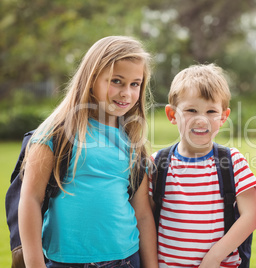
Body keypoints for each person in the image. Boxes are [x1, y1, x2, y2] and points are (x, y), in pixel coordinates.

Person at [18, 36, 158, 268]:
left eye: (135, 84)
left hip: (125, 260)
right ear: (91, 79)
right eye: (117, 81)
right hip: (66, 262)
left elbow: (142, 213)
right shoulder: (58, 133)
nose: (126, 93)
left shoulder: (133, 140)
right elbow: (30, 199)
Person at [149, 63, 256, 267]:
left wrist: (214, 257)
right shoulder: (157, 164)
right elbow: (147, 219)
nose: (202, 120)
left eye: (211, 111)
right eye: (191, 110)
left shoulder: (232, 162)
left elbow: (251, 216)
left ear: (223, 117)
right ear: (172, 115)